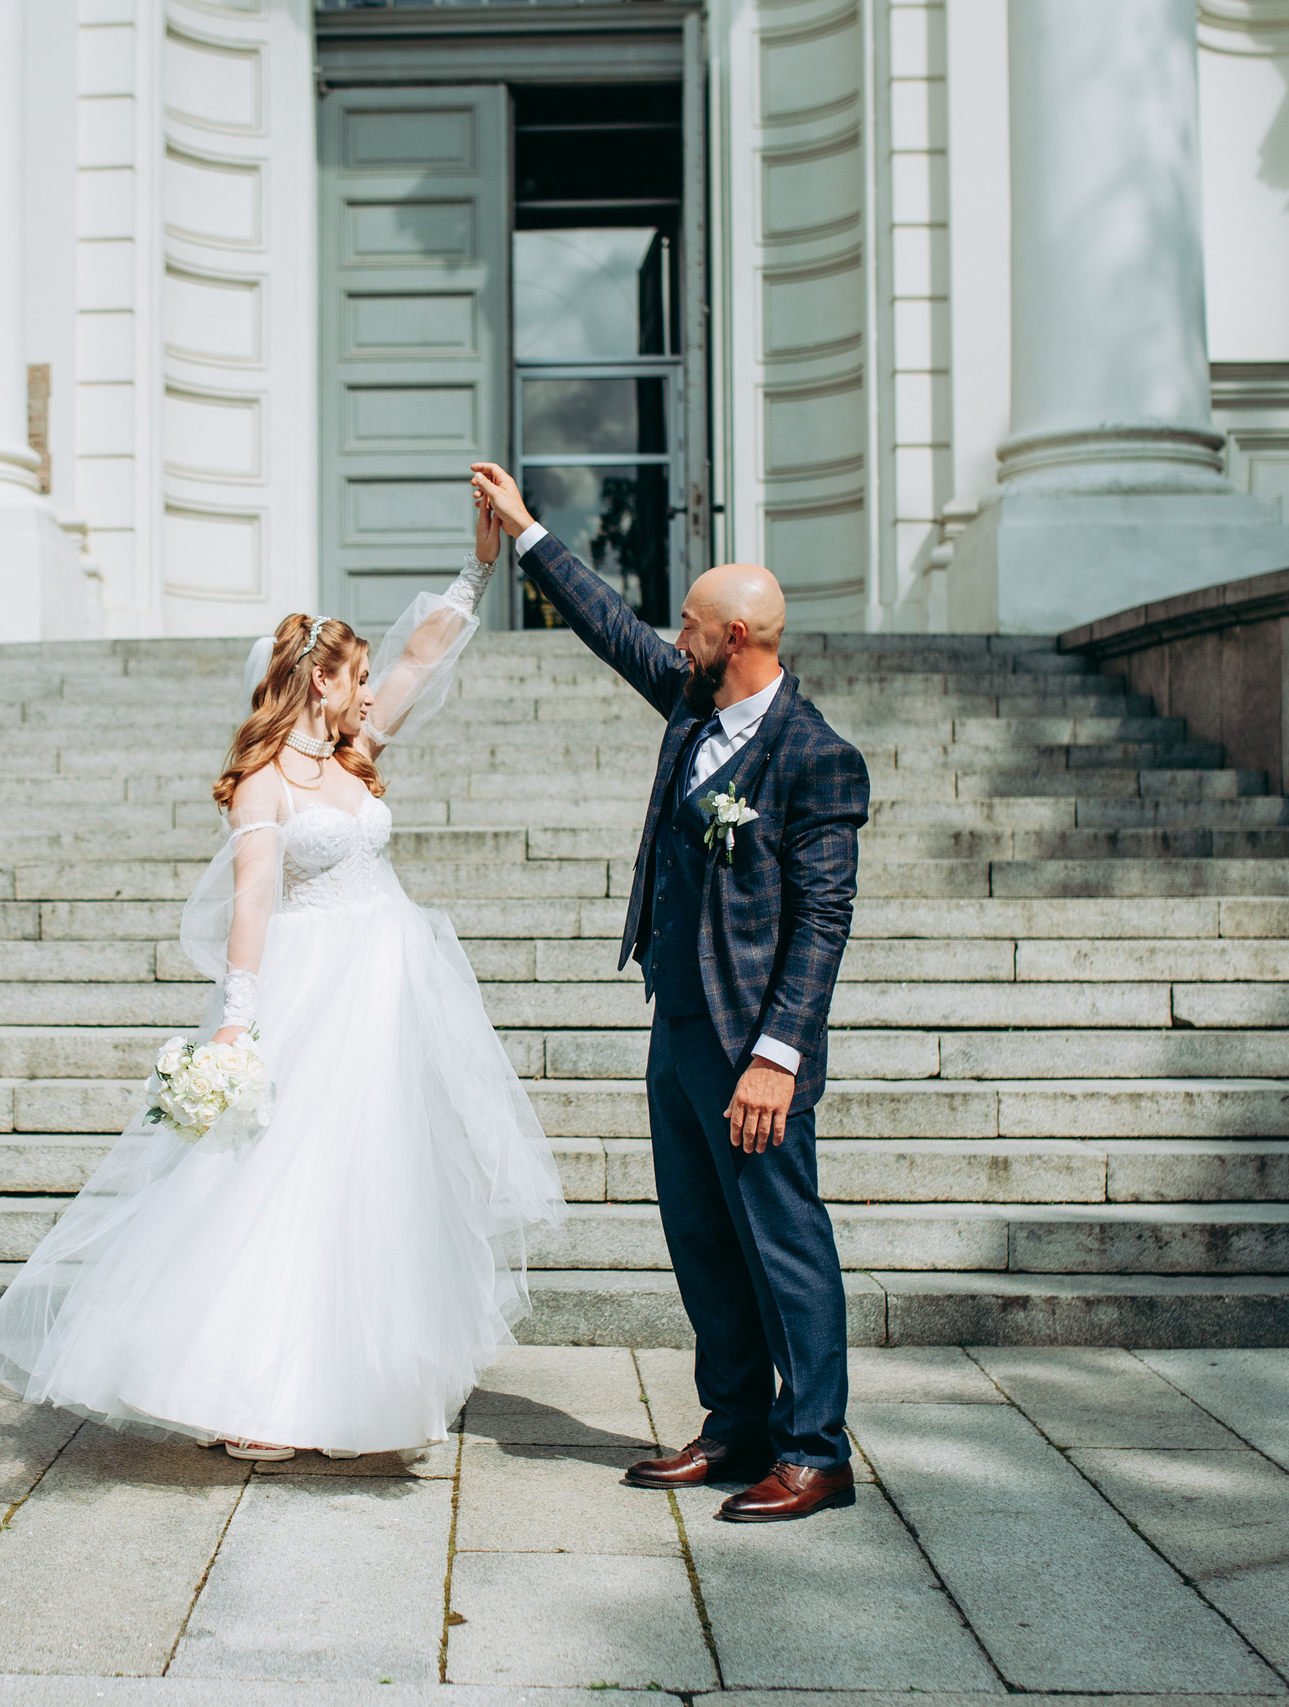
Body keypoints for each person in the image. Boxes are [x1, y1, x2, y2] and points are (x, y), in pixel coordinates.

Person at [0, 548, 567, 1460]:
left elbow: (419, 661)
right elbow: (252, 901)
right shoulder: (266, 782)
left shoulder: (353, 753)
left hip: (387, 992)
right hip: (311, 989)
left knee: (373, 1181)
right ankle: (252, 1389)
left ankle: (358, 1389)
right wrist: (236, 1021)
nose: (371, 692)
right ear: (317, 679)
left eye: (368, 680)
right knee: (284, 1180)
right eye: (355, 678)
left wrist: (476, 575)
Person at [467, 461, 869, 1522]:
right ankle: (736, 1426)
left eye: (690, 624)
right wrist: (527, 534)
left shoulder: (816, 758)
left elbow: (821, 924)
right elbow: (616, 633)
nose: (674, 637)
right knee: (699, 1234)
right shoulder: (694, 710)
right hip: (679, 1021)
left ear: (736, 637)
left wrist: (778, 1057)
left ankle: (815, 1452)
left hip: (753, 1046)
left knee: (782, 1241)